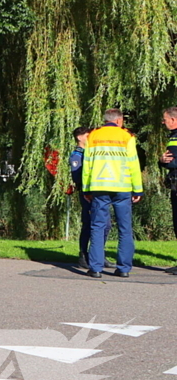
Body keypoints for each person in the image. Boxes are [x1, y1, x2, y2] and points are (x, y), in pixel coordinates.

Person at [82, 109, 142, 278]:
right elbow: (133, 164)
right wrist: (137, 189)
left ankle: (95, 268)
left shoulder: (93, 136)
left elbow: (87, 165)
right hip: (122, 187)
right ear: (118, 121)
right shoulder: (126, 137)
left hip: (99, 186)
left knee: (97, 226)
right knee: (124, 228)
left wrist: (86, 188)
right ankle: (123, 268)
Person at [70, 126, 111, 267]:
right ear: (80, 138)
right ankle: (83, 255)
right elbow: (77, 175)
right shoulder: (78, 154)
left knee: (105, 224)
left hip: (98, 191)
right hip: (87, 193)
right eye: (88, 136)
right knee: (89, 223)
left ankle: (99, 254)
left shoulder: (91, 153)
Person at [158, 107, 177, 238]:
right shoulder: (173, 136)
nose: (163, 123)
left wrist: (167, 163)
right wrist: (162, 160)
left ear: (173, 119)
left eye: (164, 120)